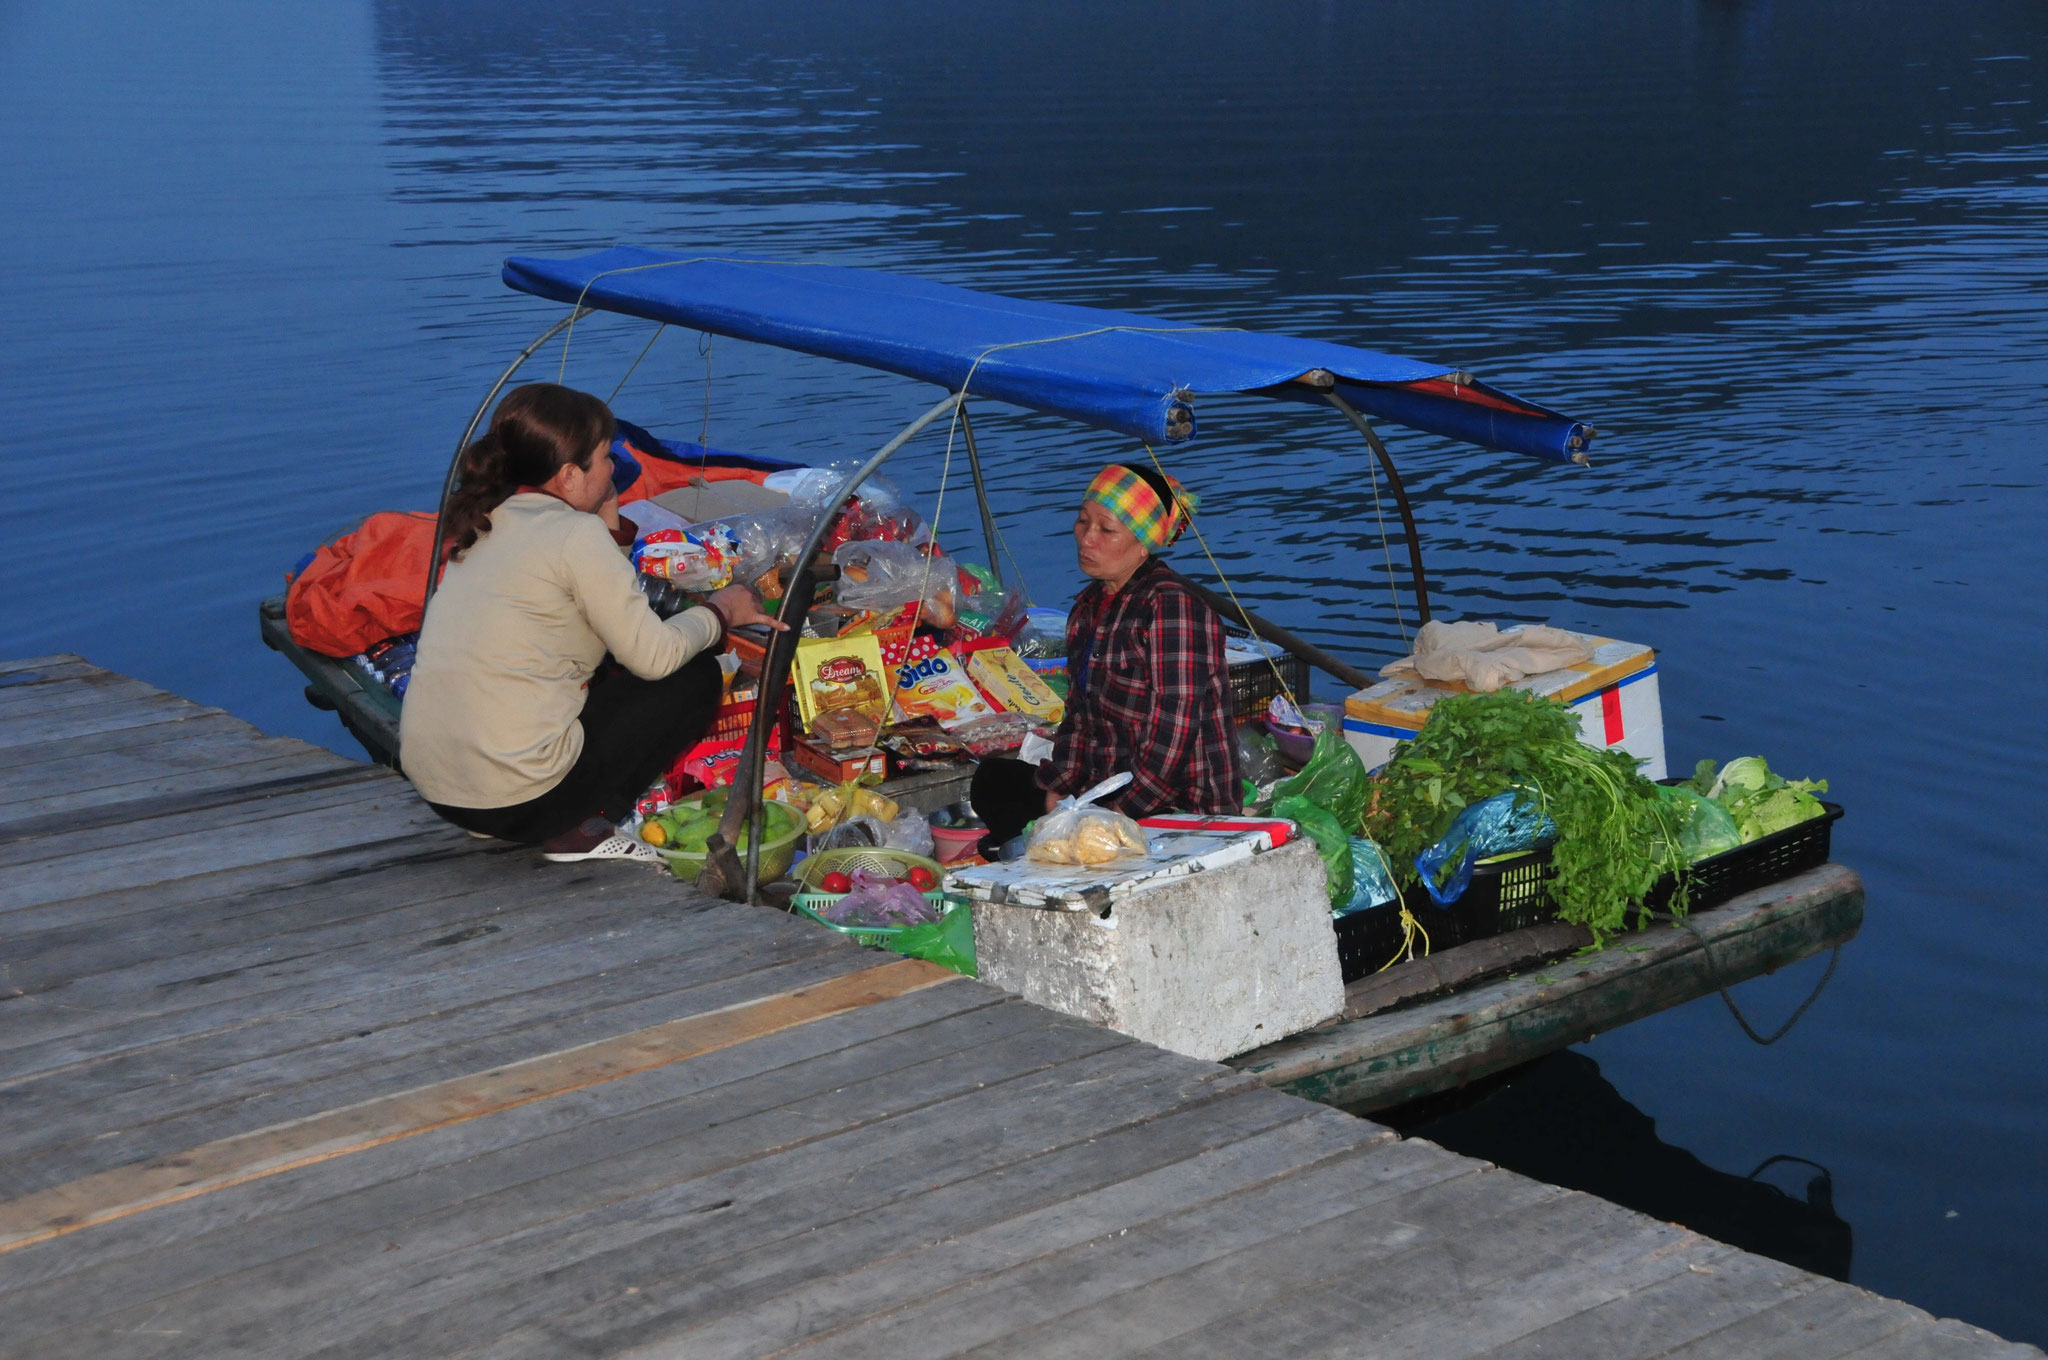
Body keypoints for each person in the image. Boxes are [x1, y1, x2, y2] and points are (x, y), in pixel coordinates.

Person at [399, 383, 785, 862]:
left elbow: (586, 598)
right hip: (525, 800)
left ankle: (539, 813)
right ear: (567, 475)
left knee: (606, 669)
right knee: (694, 675)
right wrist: (722, 612)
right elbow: (653, 656)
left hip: (447, 794)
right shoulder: (573, 534)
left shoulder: (488, 519)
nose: (613, 469)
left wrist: (607, 519)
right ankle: (580, 828)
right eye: (605, 458)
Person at [971, 462, 1242, 852]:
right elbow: (1081, 717)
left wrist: (1104, 819)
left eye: (1106, 529)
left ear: (1143, 541)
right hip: (1106, 786)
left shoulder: (1172, 609)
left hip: (1174, 805)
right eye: (1083, 522)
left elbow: (1171, 744)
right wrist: (1058, 789)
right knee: (993, 780)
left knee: (1040, 833)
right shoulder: (1089, 608)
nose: (1086, 539)